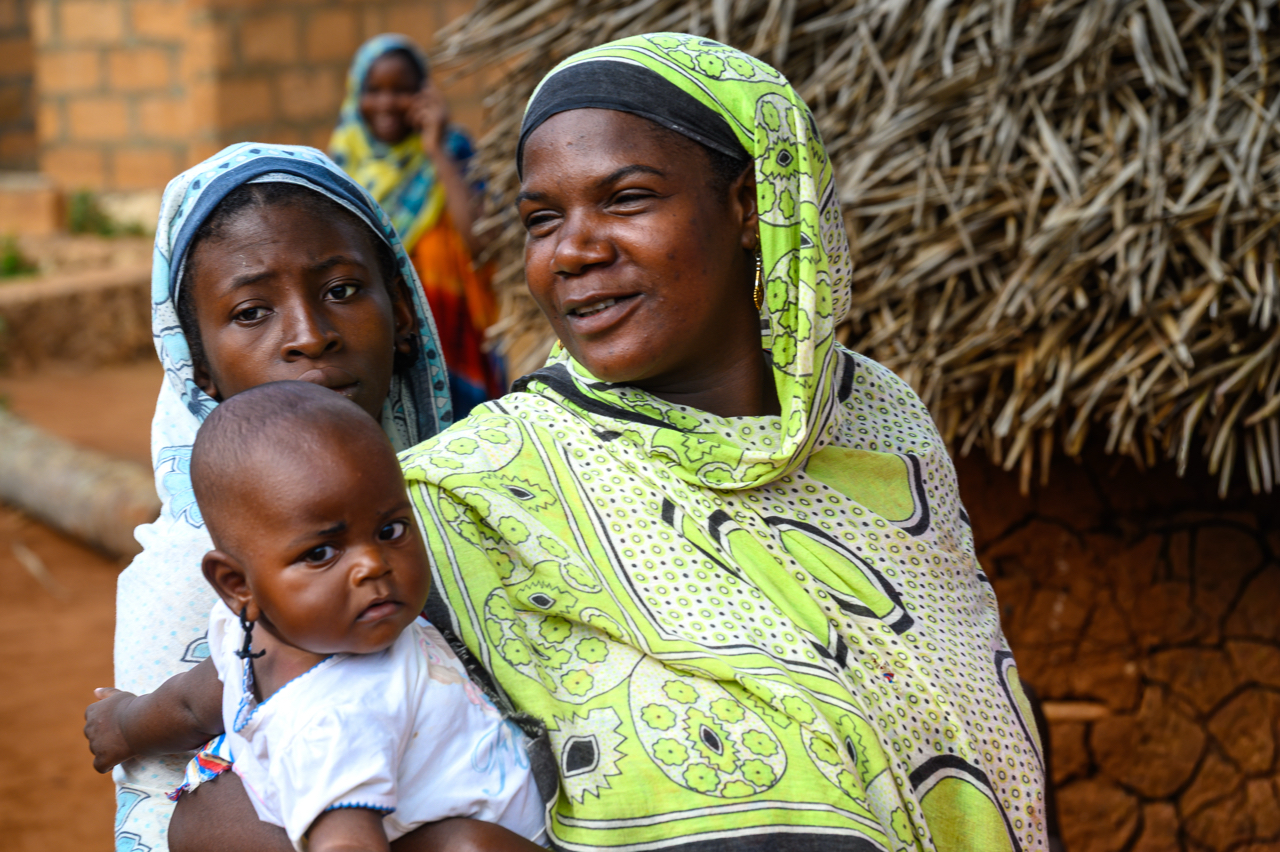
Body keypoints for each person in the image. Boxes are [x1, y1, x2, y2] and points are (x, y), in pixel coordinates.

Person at [401, 33, 1049, 850]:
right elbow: (292, 760)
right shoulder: (470, 494)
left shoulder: (879, 421)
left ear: (752, 204)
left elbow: (980, 710)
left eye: (627, 198)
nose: (574, 250)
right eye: (542, 219)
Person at [110, 141, 474, 852]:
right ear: (199, 365)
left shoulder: (483, 498)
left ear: (402, 312)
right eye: (251, 313)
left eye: (341, 290)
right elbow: (158, 819)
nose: (309, 337)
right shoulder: (186, 572)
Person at [88, 382, 547, 852]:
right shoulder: (337, 719)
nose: (373, 564)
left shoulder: (255, 630)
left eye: (390, 529)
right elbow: (345, 841)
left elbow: (194, 701)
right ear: (237, 585)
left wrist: (124, 723)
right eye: (322, 552)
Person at [330, 34, 506, 420]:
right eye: (374, 89)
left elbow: (481, 243)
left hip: (456, 346)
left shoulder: (454, 151)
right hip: (378, 349)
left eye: (403, 90)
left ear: (425, 93)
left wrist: (436, 152)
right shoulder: (341, 170)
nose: (387, 102)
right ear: (355, 94)